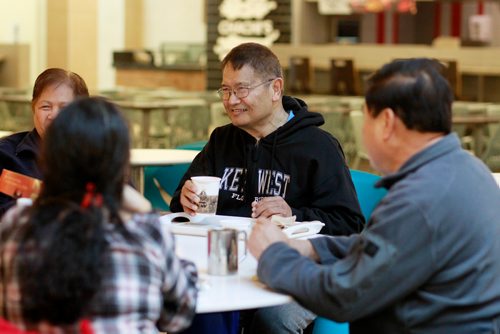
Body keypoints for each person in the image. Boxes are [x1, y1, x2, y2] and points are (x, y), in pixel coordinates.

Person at [248, 58, 500, 334]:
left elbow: (344, 295)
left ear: (387, 123)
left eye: (366, 117)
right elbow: (388, 247)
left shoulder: (420, 199)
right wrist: (313, 249)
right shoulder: (469, 170)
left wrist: (274, 255)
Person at [170, 42, 364, 333]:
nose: (231, 100)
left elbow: (349, 225)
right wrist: (185, 199)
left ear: (276, 89)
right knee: (187, 302)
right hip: (224, 265)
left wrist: (293, 213)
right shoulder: (222, 140)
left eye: (242, 89)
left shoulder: (317, 147)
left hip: (292, 265)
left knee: (274, 318)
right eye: (225, 90)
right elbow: (179, 206)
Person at [0, 97, 198, 333]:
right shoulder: (144, 233)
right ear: (120, 162)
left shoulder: (16, 225)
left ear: (49, 158)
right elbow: (178, 317)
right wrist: (147, 212)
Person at [0, 68, 89, 217]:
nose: (53, 115)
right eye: (45, 107)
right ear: (33, 108)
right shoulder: (5, 154)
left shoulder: (100, 157)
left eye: (64, 108)